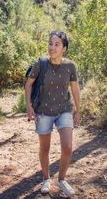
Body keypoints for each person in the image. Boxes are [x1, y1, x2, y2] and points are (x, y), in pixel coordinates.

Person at [25, 31, 80, 197]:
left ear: (64, 48)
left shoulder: (70, 66)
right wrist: (29, 106)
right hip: (43, 112)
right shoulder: (40, 64)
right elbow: (28, 85)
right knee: (45, 147)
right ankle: (46, 178)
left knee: (68, 148)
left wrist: (78, 110)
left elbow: (75, 89)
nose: (52, 47)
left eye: (57, 44)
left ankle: (62, 180)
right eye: (50, 43)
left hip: (64, 110)